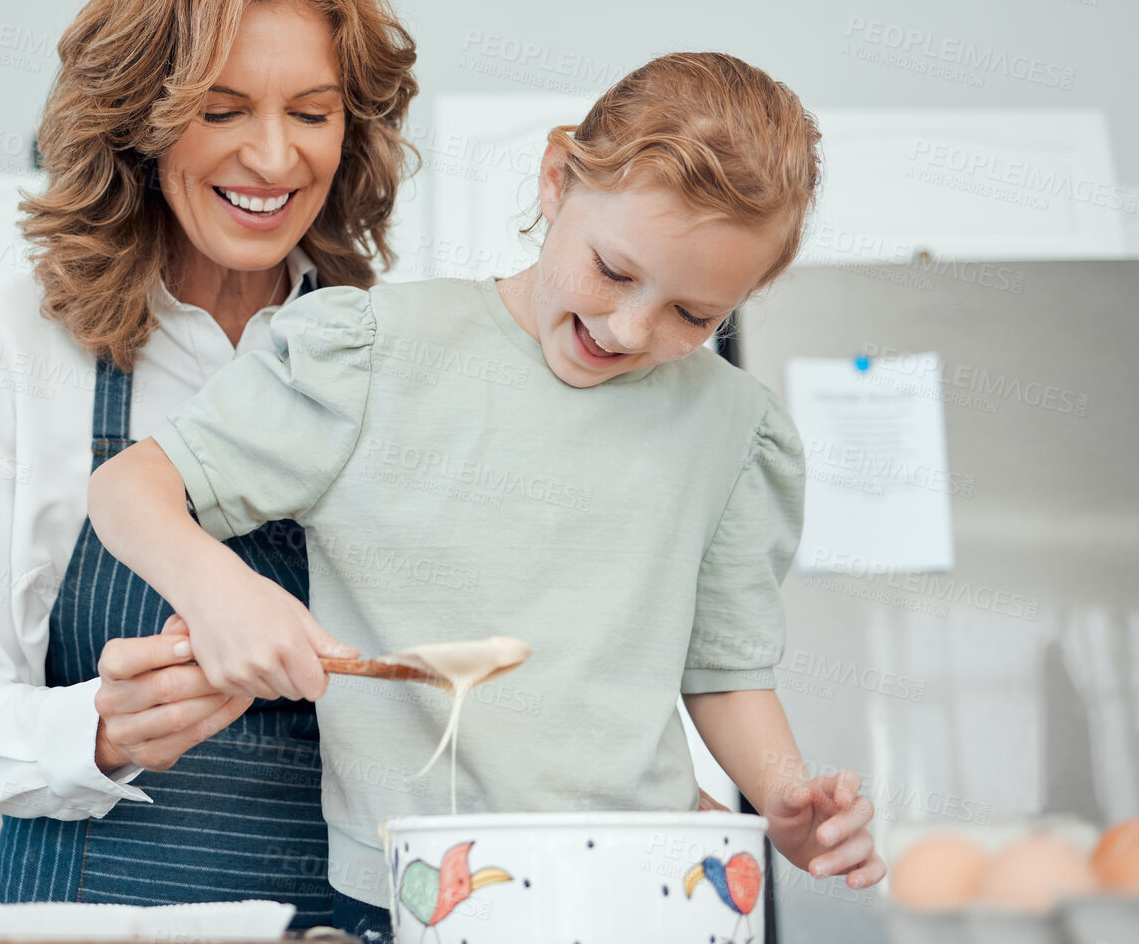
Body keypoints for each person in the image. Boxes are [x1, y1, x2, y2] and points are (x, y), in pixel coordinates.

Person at [87, 52, 889, 938]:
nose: (629, 329)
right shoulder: (374, 354)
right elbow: (131, 488)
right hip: (424, 892)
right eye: (614, 271)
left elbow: (727, 673)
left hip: (649, 889)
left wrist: (785, 796)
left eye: (693, 316)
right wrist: (222, 591)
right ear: (556, 180)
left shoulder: (733, 432)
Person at [0, 0, 416, 929]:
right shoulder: (13, 342)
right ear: (139, 115)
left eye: (310, 114)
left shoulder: (387, 356)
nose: (273, 161)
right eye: (221, 111)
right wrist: (98, 725)